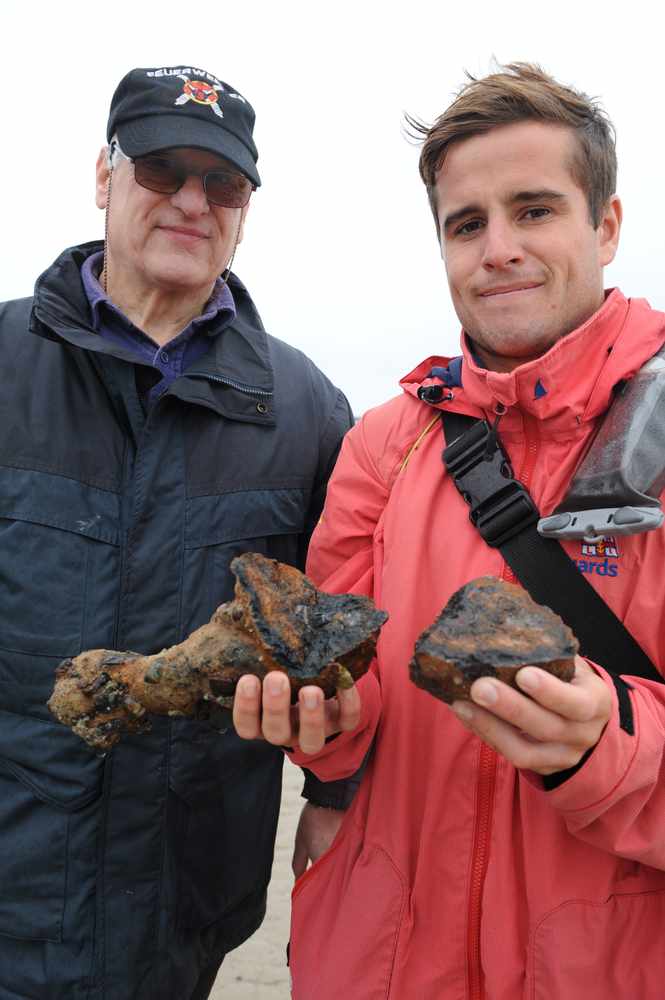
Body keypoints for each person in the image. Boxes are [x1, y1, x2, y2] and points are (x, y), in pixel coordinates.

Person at [233, 63, 665, 998]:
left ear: (608, 225)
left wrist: (610, 747)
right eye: (465, 223)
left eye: (534, 209)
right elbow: (347, 716)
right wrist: (328, 726)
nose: (497, 247)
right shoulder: (383, 445)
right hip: (379, 958)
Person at [0, 64, 354, 1000]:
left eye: (223, 183)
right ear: (104, 175)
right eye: (162, 170)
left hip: (180, 910)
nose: (192, 201)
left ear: (244, 208)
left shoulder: (308, 413)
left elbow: (350, 637)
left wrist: (335, 798)